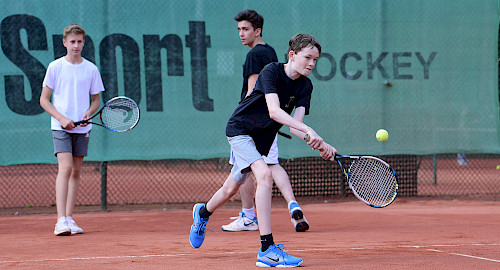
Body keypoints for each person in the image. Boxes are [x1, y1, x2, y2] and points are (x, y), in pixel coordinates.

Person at [189, 33, 337, 267]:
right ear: (292, 55)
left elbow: (297, 127)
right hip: (240, 129)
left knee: (231, 187)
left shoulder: (305, 85)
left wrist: (319, 142)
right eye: (307, 57)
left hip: (262, 139)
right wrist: (309, 129)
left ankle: (203, 212)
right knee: (265, 174)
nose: (311, 63)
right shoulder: (271, 71)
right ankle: (266, 248)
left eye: (316, 60)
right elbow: (275, 112)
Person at [222, 9, 309, 233]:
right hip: (273, 119)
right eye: (239, 29)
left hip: (254, 122)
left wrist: (251, 116)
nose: (241, 34)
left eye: (245, 29)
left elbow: (252, 91)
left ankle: (248, 215)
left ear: (257, 31)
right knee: (271, 164)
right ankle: (292, 204)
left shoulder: (254, 55)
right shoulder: (270, 52)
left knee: (244, 170)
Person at [40, 24, 105, 236]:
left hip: (82, 128)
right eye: (72, 42)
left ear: (83, 43)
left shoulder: (91, 69)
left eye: (79, 42)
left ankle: (69, 218)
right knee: (65, 167)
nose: (76, 45)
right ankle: (60, 221)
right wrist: (61, 118)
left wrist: (87, 114)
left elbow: (96, 101)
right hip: (60, 127)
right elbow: (44, 100)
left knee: (76, 171)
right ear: (64, 43)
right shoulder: (55, 67)